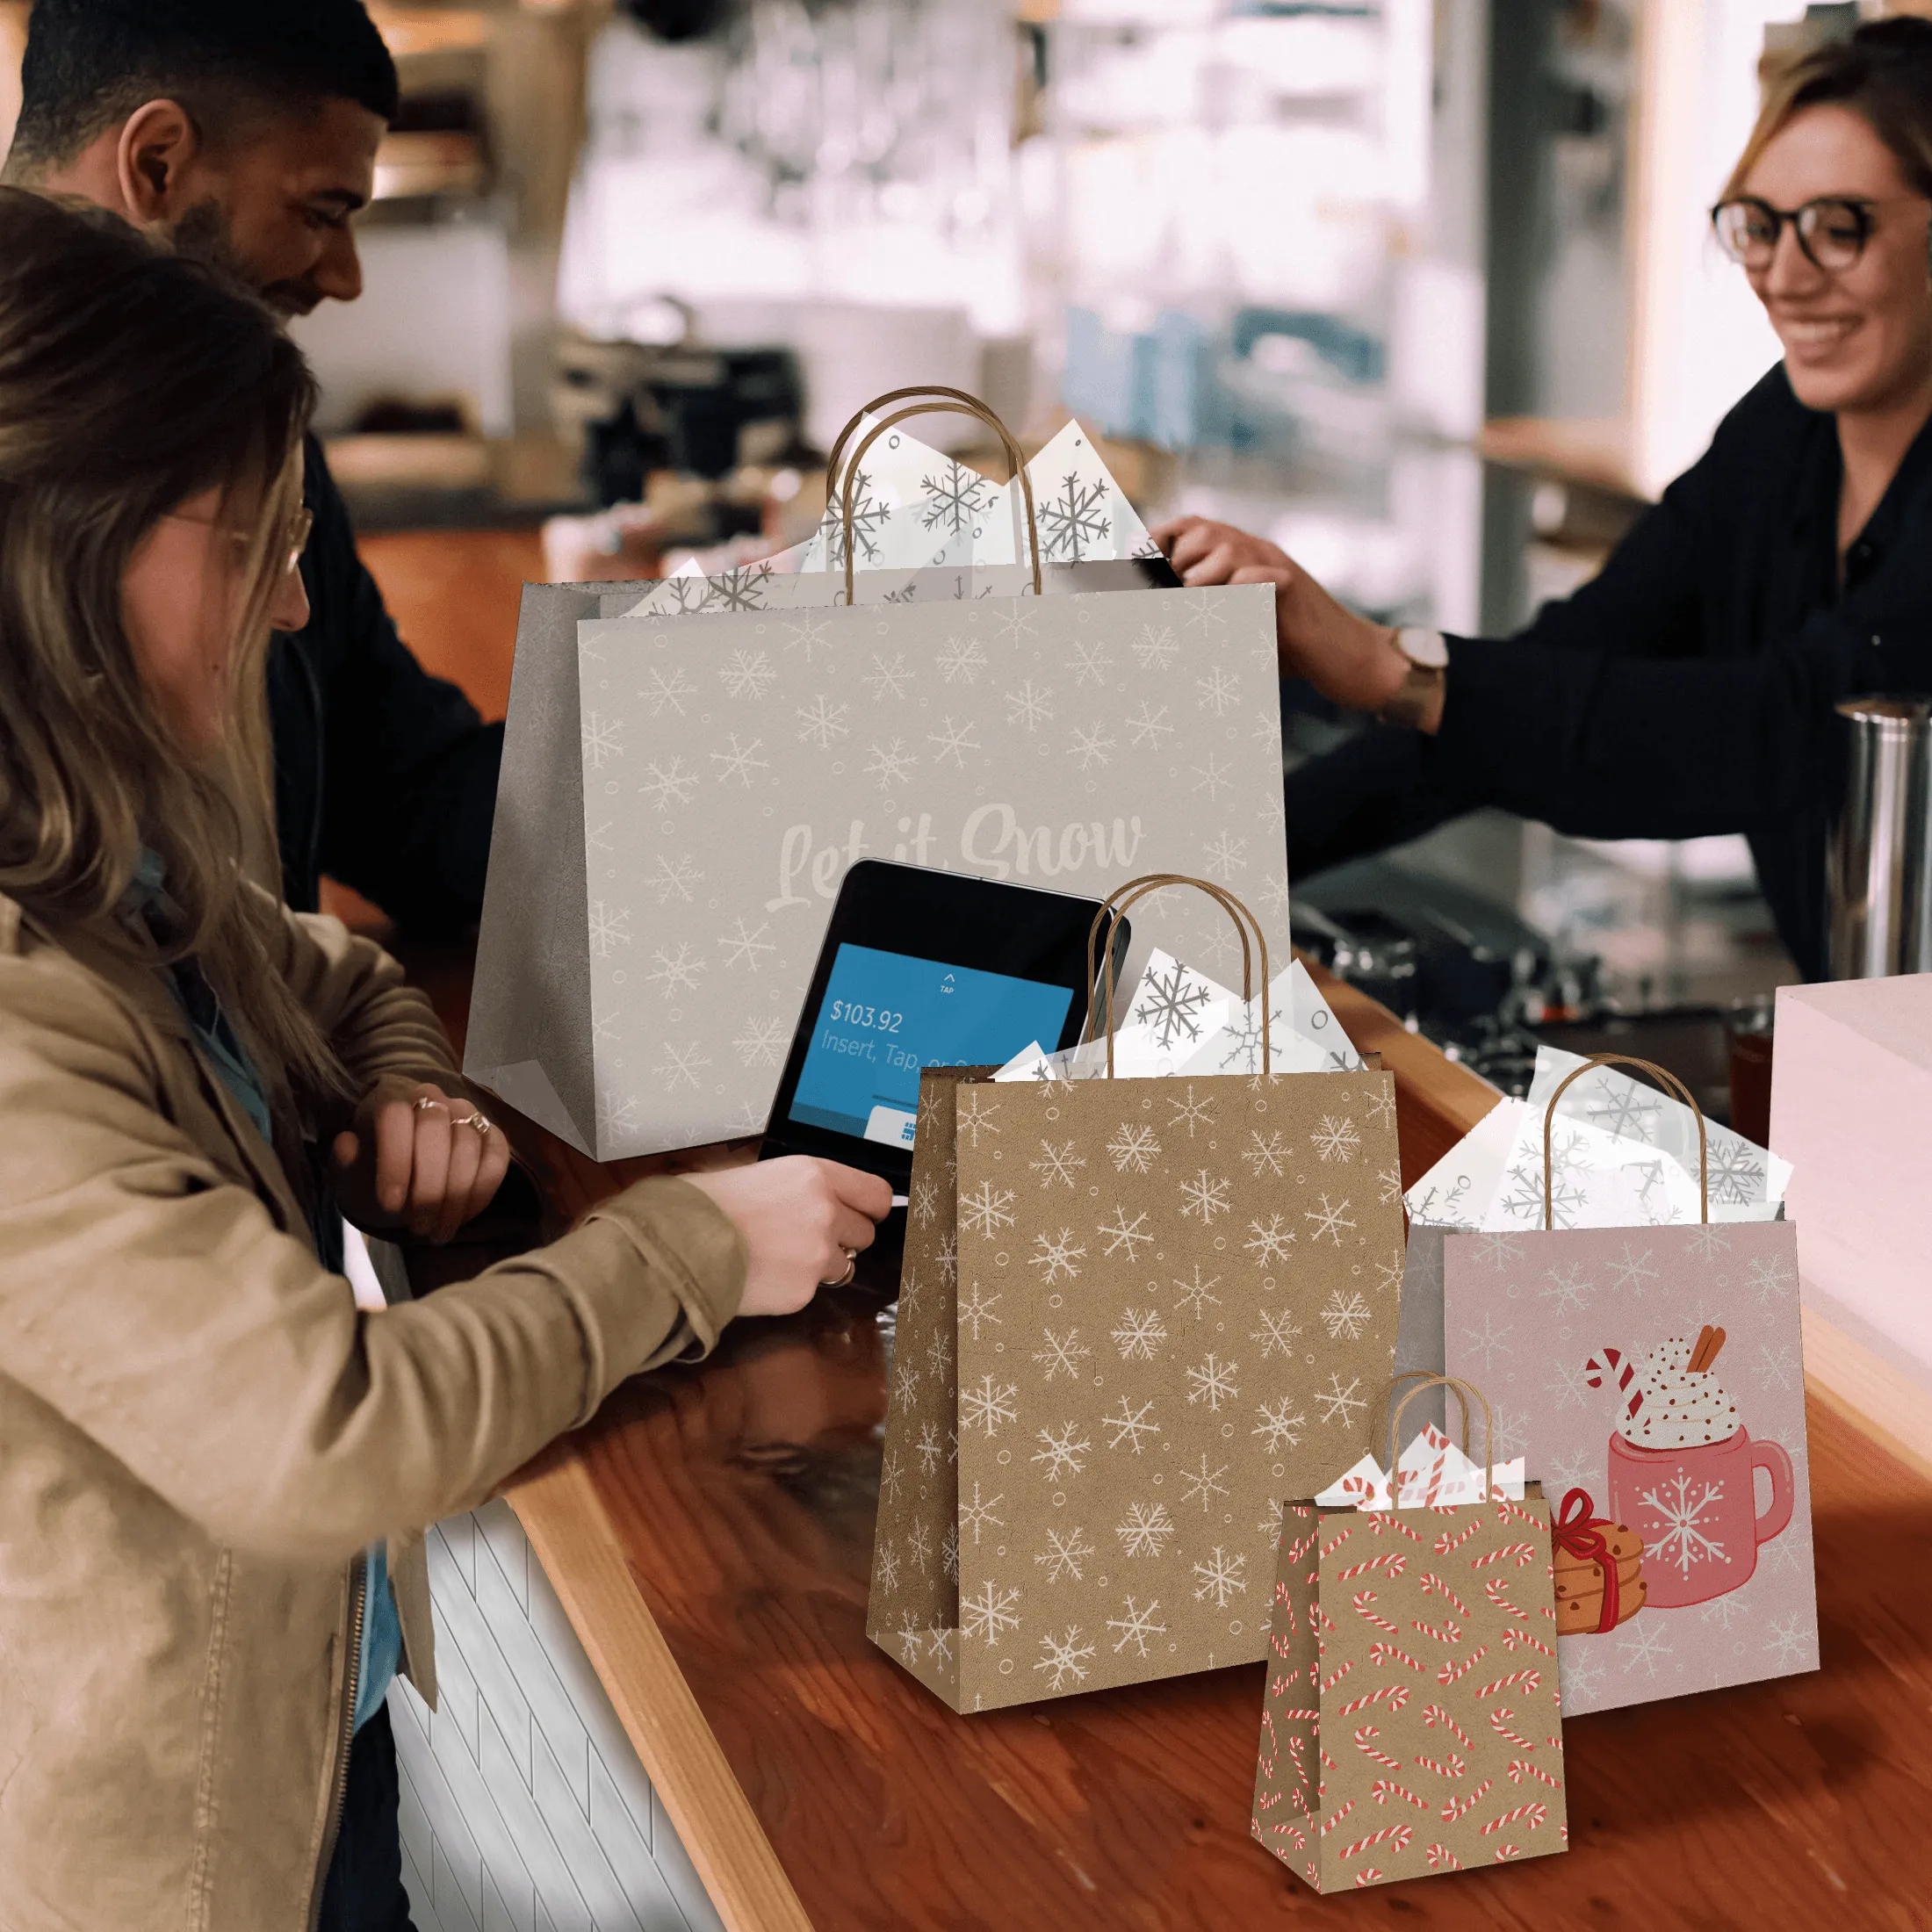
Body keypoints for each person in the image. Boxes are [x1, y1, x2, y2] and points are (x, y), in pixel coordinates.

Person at [0, 193, 890, 1932]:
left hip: (292, 1722)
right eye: (249, 536)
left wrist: (403, 1089)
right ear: (62, 548)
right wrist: (692, 1245)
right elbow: (325, 1432)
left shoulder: (108, 873)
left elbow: (325, 964)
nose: (288, 598)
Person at [1157, 18, 1932, 984]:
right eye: (1760, 226)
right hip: (1869, 1039)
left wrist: (1383, 664)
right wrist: (1193, 875)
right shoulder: (1782, 435)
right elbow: (1562, 664)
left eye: (1836, 226)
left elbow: (1780, 731)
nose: (1781, 275)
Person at [4, 0, 502, 935]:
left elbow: (408, 795)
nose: (345, 276)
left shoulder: (271, 459)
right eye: (321, 213)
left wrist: (702, 751)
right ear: (158, 164)